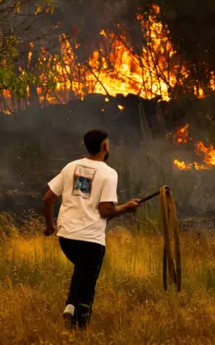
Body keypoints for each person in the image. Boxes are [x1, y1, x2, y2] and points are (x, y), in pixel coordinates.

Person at [42, 129, 141, 330]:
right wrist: (126, 208)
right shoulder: (108, 173)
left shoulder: (71, 167)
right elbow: (105, 210)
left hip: (66, 238)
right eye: (108, 143)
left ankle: (70, 304)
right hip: (90, 240)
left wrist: (50, 225)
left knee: (82, 270)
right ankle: (79, 328)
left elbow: (48, 198)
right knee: (88, 283)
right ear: (105, 146)